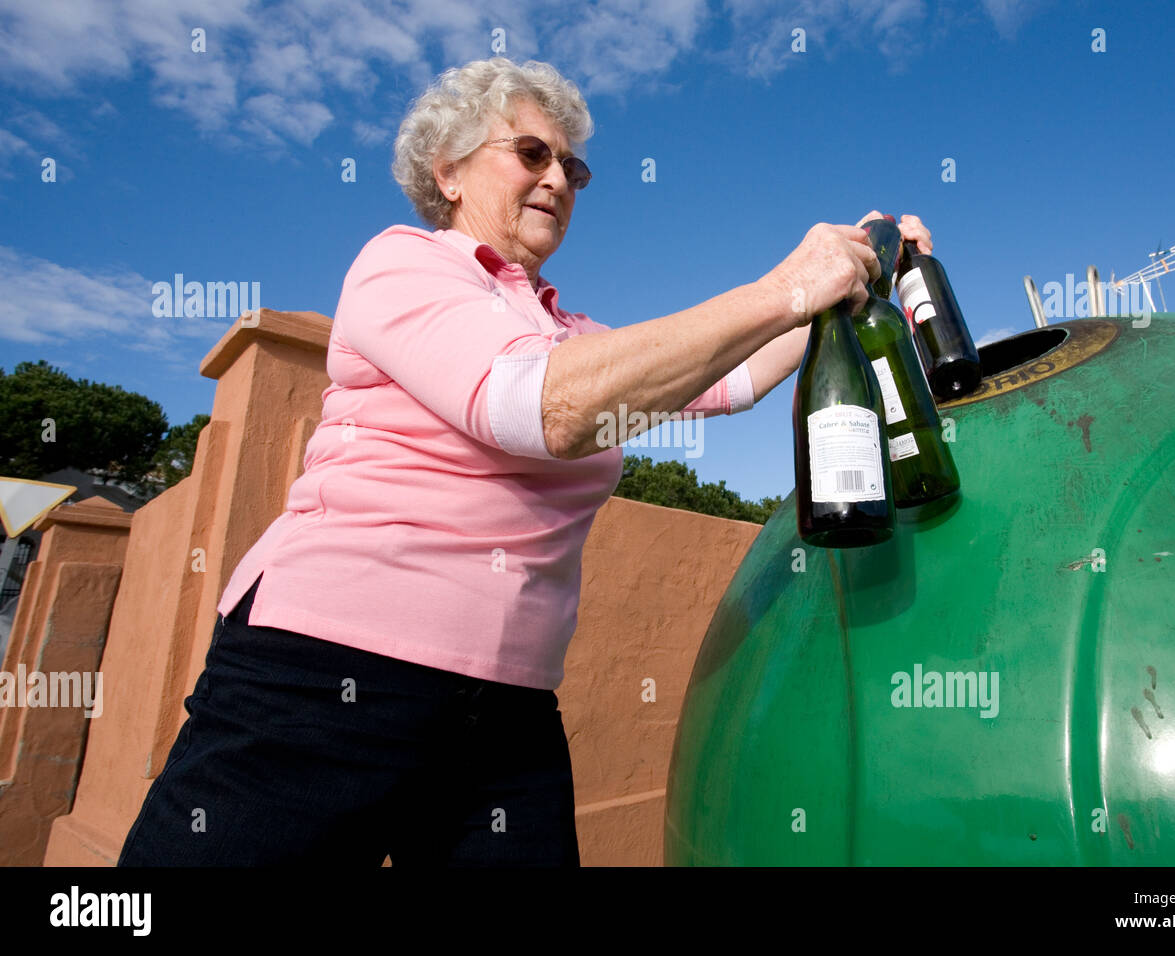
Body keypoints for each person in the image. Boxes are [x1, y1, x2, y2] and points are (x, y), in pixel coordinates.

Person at [117, 56, 932, 867]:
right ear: (449, 173)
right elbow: (543, 408)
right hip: (325, 678)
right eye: (532, 154)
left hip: (507, 706)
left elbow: (734, 373)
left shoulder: (567, 332)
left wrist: (857, 275)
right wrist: (786, 286)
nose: (558, 180)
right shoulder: (404, 264)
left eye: (572, 166)